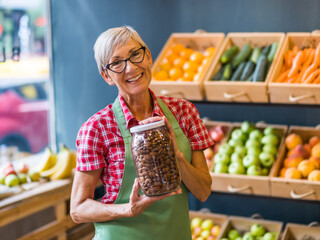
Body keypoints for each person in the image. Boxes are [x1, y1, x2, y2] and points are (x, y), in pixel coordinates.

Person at [70, 25, 214, 240]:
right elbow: (78, 209)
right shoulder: (97, 128)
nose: (130, 68)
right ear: (107, 76)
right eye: (117, 63)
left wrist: (177, 157)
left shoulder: (184, 112)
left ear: (148, 56)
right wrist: (126, 210)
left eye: (135, 54)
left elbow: (203, 192)